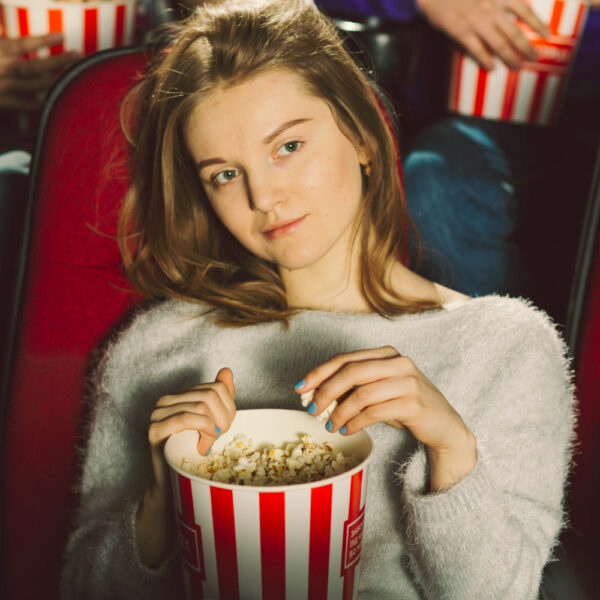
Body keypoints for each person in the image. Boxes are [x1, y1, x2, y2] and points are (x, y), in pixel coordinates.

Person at [60, 1, 575, 598]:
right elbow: (83, 589)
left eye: (288, 147)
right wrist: (159, 504)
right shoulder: (159, 348)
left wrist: (449, 446)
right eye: (225, 174)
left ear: (361, 136)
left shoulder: (505, 346)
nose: (264, 196)